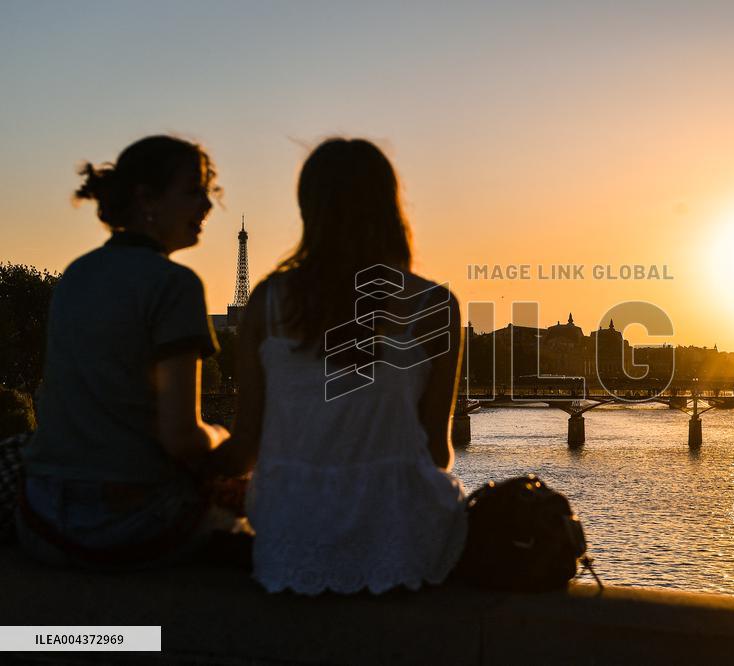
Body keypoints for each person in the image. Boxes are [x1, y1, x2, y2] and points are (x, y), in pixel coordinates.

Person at [210, 138, 467, 595]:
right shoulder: (436, 306)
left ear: (309, 209)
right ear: (391, 208)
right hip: (398, 542)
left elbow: (246, 446)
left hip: (291, 540)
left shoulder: (267, 303)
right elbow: (437, 453)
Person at [18, 135, 246, 569]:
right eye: (194, 191)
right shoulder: (174, 285)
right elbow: (182, 438)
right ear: (147, 198)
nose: (207, 206)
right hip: (125, 523)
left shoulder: (75, 275)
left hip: (42, 515)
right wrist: (223, 438)